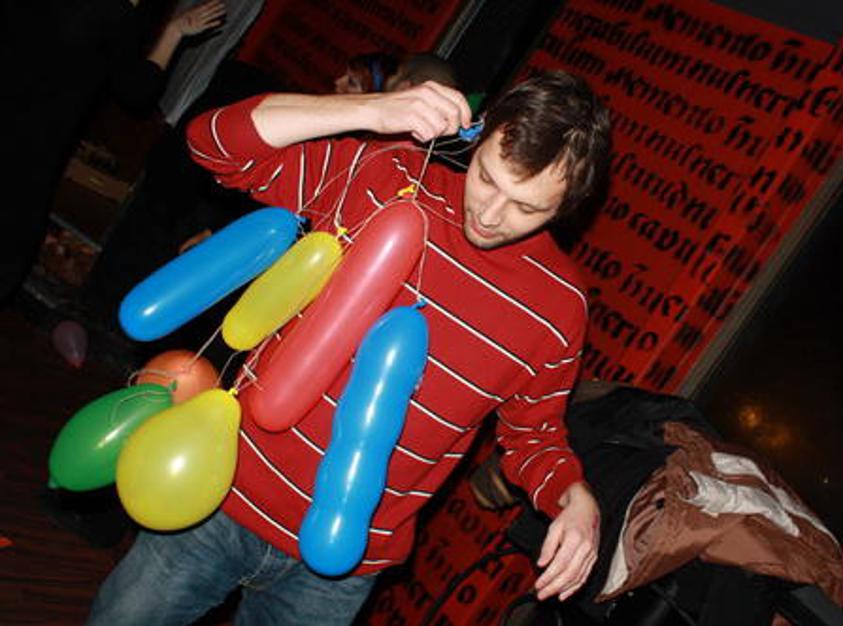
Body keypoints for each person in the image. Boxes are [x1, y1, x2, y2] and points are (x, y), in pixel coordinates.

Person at [87, 69, 612, 625]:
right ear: (479, 136)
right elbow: (213, 142)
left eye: (526, 207)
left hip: (340, 568)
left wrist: (571, 494)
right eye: (486, 178)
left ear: (567, 207)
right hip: (217, 493)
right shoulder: (386, 175)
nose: (489, 213)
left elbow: (533, 434)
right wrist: (370, 110)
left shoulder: (560, 308)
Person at [0, 0, 226, 303]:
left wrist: (173, 30)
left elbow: (134, 89)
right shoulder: (114, 12)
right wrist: (174, 32)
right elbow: (137, 90)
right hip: (30, 149)